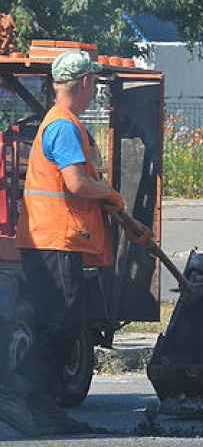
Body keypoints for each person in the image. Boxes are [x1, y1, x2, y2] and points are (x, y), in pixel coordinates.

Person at [0, 51, 129, 437]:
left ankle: (45, 410)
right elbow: (76, 183)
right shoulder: (64, 126)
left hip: (51, 237)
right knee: (62, 321)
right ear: (86, 83)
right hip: (55, 238)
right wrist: (110, 193)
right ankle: (18, 391)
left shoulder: (57, 123)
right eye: (95, 84)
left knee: (56, 320)